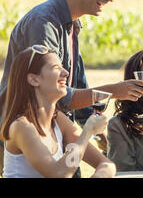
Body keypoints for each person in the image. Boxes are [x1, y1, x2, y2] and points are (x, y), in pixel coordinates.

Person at [0, 0, 143, 175]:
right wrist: (113, 92)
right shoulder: (43, 23)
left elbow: (77, 82)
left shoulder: (72, 25)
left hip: (57, 126)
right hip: (30, 134)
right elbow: (48, 89)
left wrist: (95, 130)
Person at [0, 46, 116, 178]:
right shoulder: (22, 127)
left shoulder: (57, 120)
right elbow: (59, 174)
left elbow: (107, 164)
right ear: (33, 79)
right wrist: (87, 132)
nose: (66, 73)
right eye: (56, 68)